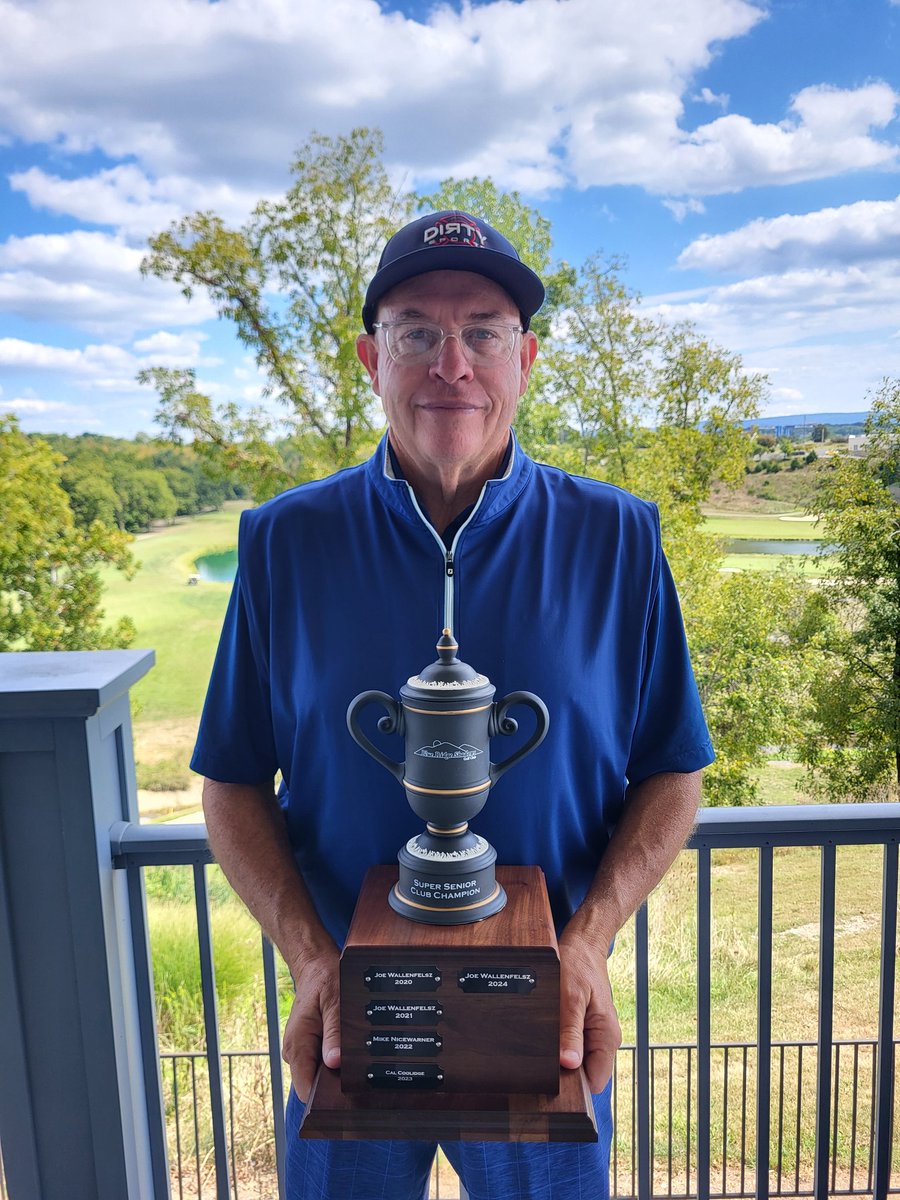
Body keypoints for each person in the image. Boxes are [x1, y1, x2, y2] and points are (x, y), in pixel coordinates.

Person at [191, 209, 715, 1200]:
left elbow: (672, 770)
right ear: (369, 357)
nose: (451, 364)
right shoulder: (283, 543)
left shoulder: (619, 539)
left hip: (544, 1022)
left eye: (481, 332)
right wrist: (312, 963)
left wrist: (589, 944)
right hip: (347, 1025)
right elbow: (230, 783)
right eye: (416, 333)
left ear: (524, 358)